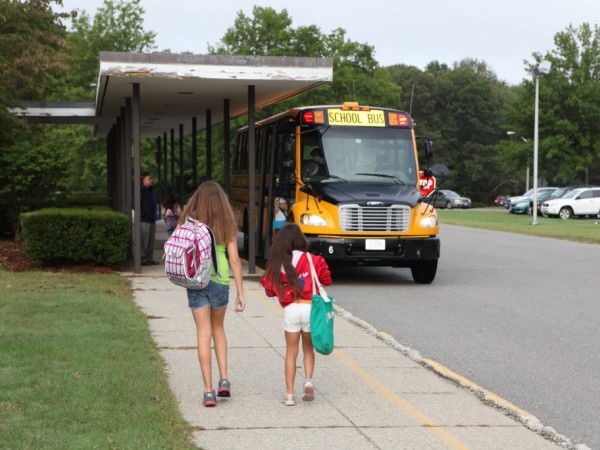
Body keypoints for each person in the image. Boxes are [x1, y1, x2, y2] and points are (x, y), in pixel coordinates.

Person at [178, 181, 245, 407]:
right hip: (220, 280)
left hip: (196, 280)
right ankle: (224, 380)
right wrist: (240, 292)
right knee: (218, 329)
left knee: (203, 333)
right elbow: (234, 259)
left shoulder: (190, 221)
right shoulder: (227, 222)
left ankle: (208, 392)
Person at [260, 223, 332, 406]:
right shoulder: (313, 260)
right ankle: (308, 380)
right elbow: (326, 280)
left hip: (291, 310)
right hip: (310, 309)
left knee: (291, 352)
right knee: (308, 348)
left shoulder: (278, 263)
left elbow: (268, 289)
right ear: (300, 239)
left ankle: (289, 395)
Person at [140, 172, 159, 265]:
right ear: (143, 180)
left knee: (151, 240)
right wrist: (142, 214)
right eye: (149, 178)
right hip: (144, 219)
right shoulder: (141, 191)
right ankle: (143, 258)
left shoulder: (152, 191)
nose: (151, 180)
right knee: (144, 240)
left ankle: (149, 258)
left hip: (151, 219)